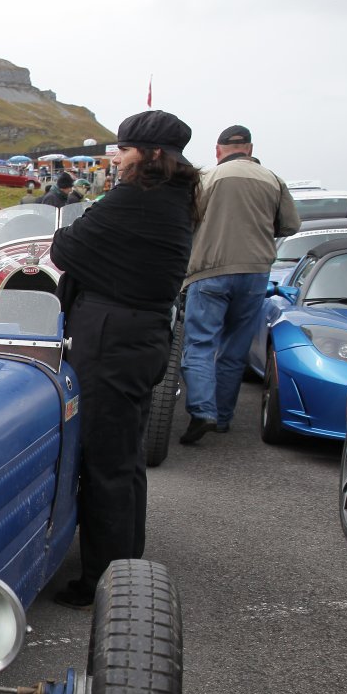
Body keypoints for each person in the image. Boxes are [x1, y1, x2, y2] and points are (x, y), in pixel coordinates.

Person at [48, 109, 202, 610]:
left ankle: (104, 579)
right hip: (140, 335)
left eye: (125, 149)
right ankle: (124, 562)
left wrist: (81, 241)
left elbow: (66, 248)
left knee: (104, 461)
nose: (116, 157)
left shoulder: (137, 197)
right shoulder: (175, 196)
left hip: (112, 338)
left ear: (151, 155)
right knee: (125, 459)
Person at [179, 124, 300, 443]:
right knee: (235, 349)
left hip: (209, 271)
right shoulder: (273, 179)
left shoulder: (207, 178)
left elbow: (186, 220)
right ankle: (222, 417)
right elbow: (290, 226)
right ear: (250, 149)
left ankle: (202, 410)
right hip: (255, 273)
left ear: (218, 150)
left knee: (201, 343)